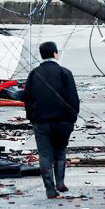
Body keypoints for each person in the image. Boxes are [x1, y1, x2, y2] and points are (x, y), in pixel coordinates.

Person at [23, 41, 80, 198]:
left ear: (42, 55)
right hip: (63, 122)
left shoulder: (34, 74)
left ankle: (50, 188)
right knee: (60, 151)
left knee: (45, 154)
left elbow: (27, 98)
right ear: (55, 53)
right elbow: (74, 99)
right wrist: (72, 118)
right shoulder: (65, 73)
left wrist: (32, 117)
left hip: (41, 121)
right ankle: (60, 183)